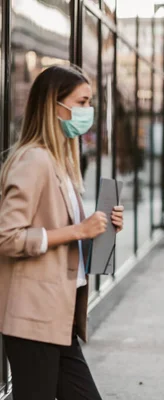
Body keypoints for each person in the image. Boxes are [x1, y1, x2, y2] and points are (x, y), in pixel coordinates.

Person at [0, 65, 124, 400]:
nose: (88, 111)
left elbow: (64, 229)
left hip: (58, 314)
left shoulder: (60, 162)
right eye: (82, 102)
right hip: (32, 316)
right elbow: (6, 237)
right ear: (55, 105)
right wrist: (77, 230)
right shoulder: (33, 160)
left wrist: (100, 228)